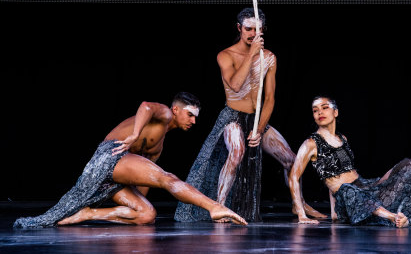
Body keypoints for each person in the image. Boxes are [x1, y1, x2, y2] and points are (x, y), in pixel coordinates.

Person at [175, 8, 325, 222]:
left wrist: (260, 128)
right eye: (248, 29)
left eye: (258, 29)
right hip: (233, 118)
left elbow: (270, 99)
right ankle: (220, 207)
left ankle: (298, 204)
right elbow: (235, 85)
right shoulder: (225, 55)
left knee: (292, 161)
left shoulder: (270, 58)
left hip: (256, 120)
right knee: (237, 152)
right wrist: (253, 54)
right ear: (239, 28)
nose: (253, 34)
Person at [14, 92, 247, 228]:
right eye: (190, 115)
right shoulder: (165, 113)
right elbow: (145, 106)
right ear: (176, 110)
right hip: (109, 157)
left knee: (147, 214)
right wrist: (134, 134)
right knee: (168, 178)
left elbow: (142, 182)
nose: (193, 121)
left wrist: (134, 201)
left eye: (196, 118)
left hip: (118, 176)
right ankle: (214, 207)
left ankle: (88, 213)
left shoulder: (159, 146)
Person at [289, 96, 411, 227]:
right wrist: (301, 213)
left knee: (410, 165)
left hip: (364, 189)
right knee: (346, 189)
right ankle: (394, 217)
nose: (320, 112)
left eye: (324, 107)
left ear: (336, 112)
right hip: (350, 199)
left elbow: (340, 175)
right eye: (315, 110)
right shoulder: (311, 143)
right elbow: (294, 177)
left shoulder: (343, 138)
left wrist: (333, 213)